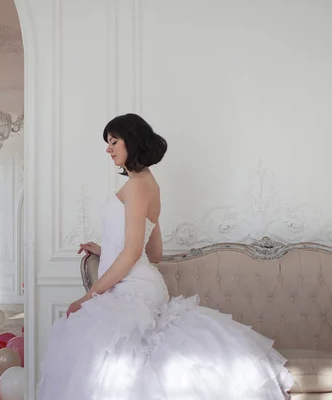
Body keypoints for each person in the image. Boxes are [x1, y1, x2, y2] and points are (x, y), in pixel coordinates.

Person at [37, 114, 294, 399]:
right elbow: (153, 252)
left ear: (131, 141)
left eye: (114, 141)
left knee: (110, 364)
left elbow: (135, 251)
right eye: (108, 143)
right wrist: (105, 249)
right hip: (139, 282)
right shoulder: (148, 183)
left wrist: (90, 296)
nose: (108, 149)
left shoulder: (137, 185)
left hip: (132, 289)